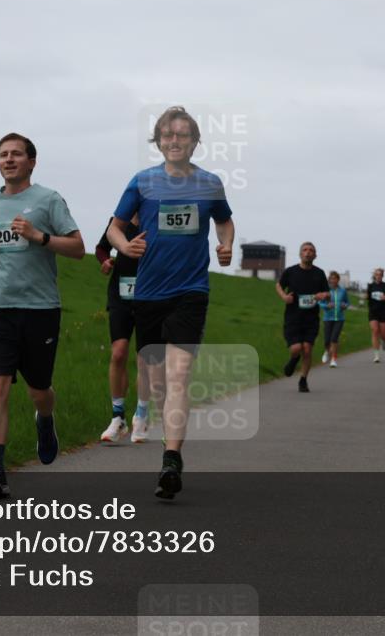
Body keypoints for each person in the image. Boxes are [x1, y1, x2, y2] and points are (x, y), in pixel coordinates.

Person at [107, 106, 234, 500]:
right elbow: (114, 226)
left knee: (179, 377)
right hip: (147, 294)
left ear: (195, 141)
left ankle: (172, 459)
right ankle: (167, 440)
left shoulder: (210, 183)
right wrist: (124, 244)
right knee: (159, 383)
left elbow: (225, 220)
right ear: (158, 142)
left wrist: (226, 244)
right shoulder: (142, 182)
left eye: (182, 135)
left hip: (191, 291)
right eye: (167, 135)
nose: (174, 141)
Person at [0, 133, 85, 499]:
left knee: (39, 391)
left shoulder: (48, 200)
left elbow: (79, 248)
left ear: (31, 162)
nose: (9, 159)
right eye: (3, 155)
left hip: (39, 310)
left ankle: (46, 421)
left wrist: (39, 236)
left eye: (16, 154)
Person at [96, 214, 152, 443]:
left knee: (144, 358)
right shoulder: (118, 221)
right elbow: (102, 248)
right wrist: (105, 261)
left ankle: (142, 414)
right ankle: (118, 417)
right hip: (120, 294)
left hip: (149, 294)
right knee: (118, 353)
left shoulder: (155, 221)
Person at [276, 242, 330, 392]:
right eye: (305, 250)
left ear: (315, 255)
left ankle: (303, 380)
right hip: (293, 317)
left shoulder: (319, 273)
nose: (308, 252)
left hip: (311, 319)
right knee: (296, 348)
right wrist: (284, 297)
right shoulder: (291, 271)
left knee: (307, 349)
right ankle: (294, 359)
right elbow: (279, 285)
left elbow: (327, 295)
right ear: (300, 254)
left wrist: (323, 295)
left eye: (311, 250)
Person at [318, 271, 349, 368]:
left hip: (339, 318)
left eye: (334, 278)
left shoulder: (343, 291)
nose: (332, 280)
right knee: (327, 340)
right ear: (329, 280)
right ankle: (327, 351)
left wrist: (345, 306)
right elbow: (320, 303)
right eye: (331, 278)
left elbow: (347, 302)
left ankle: (333, 359)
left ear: (338, 280)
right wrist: (327, 306)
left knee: (334, 339)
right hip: (328, 318)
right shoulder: (326, 291)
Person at [366, 268, 385, 363]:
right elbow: (367, 297)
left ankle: (384, 340)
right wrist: (366, 296)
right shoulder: (370, 286)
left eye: (380, 275)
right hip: (373, 312)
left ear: (382, 276)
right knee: (375, 331)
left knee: (383, 334)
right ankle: (376, 355)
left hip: (383, 312)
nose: (378, 276)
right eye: (376, 274)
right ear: (374, 276)